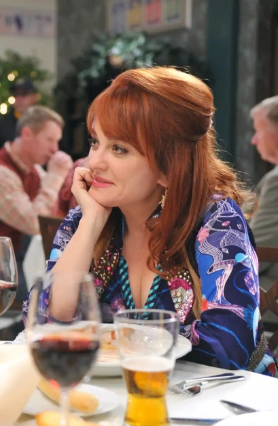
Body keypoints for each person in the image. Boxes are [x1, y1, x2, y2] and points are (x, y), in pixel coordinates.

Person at [24, 67, 276, 376]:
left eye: (119, 148)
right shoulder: (86, 216)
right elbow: (42, 322)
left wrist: (121, 342)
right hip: (121, 392)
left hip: (226, 397)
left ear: (169, 167)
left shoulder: (216, 220)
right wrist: (91, 224)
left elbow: (229, 346)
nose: (94, 162)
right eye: (95, 142)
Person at [0, 106, 73, 298]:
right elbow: (36, 224)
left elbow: (55, 209)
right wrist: (56, 176)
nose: (55, 149)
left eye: (57, 141)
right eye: (50, 140)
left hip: (15, 260)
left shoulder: (32, 169)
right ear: (27, 134)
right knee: (55, 295)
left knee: (68, 284)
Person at [249, 96, 278, 291]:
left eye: (258, 130)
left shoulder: (276, 181)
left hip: (266, 299)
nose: (253, 140)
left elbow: (256, 248)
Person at [0, 78, 39, 154]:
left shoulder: (41, 121)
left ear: (34, 97)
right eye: (15, 95)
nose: (18, 99)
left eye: (23, 94)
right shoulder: (4, 123)